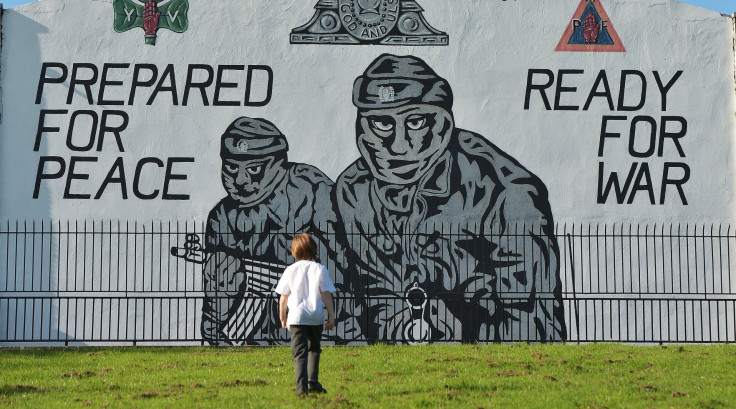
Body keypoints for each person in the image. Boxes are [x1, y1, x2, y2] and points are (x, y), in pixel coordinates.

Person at [334, 53, 566, 343]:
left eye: (415, 122)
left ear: (442, 125)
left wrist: (463, 329)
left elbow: (533, 324)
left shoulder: (507, 192)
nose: (398, 145)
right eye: (381, 124)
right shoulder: (355, 190)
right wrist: (397, 325)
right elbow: (368, 296)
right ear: (361, 128)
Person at [201, 117, 337, 345]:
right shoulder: (222, 216)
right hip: (250, 343)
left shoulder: (311, 192)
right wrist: (220, 303)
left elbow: (344, 274)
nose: (240, 180)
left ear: (279, 163)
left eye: (254, 169)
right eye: (232, 167)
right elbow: (214, 328)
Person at [276, 233, 336, 395]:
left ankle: (301, 389)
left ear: (294, 251)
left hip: (296, 317)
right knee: (314, 349)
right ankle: (313, 382)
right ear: (313, 249)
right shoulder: (320, 269)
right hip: (315, 316)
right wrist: (331, 315)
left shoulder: (290, 270)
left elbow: (283, 297)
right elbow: (326, 294)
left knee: (299, 353)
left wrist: (283, 317)